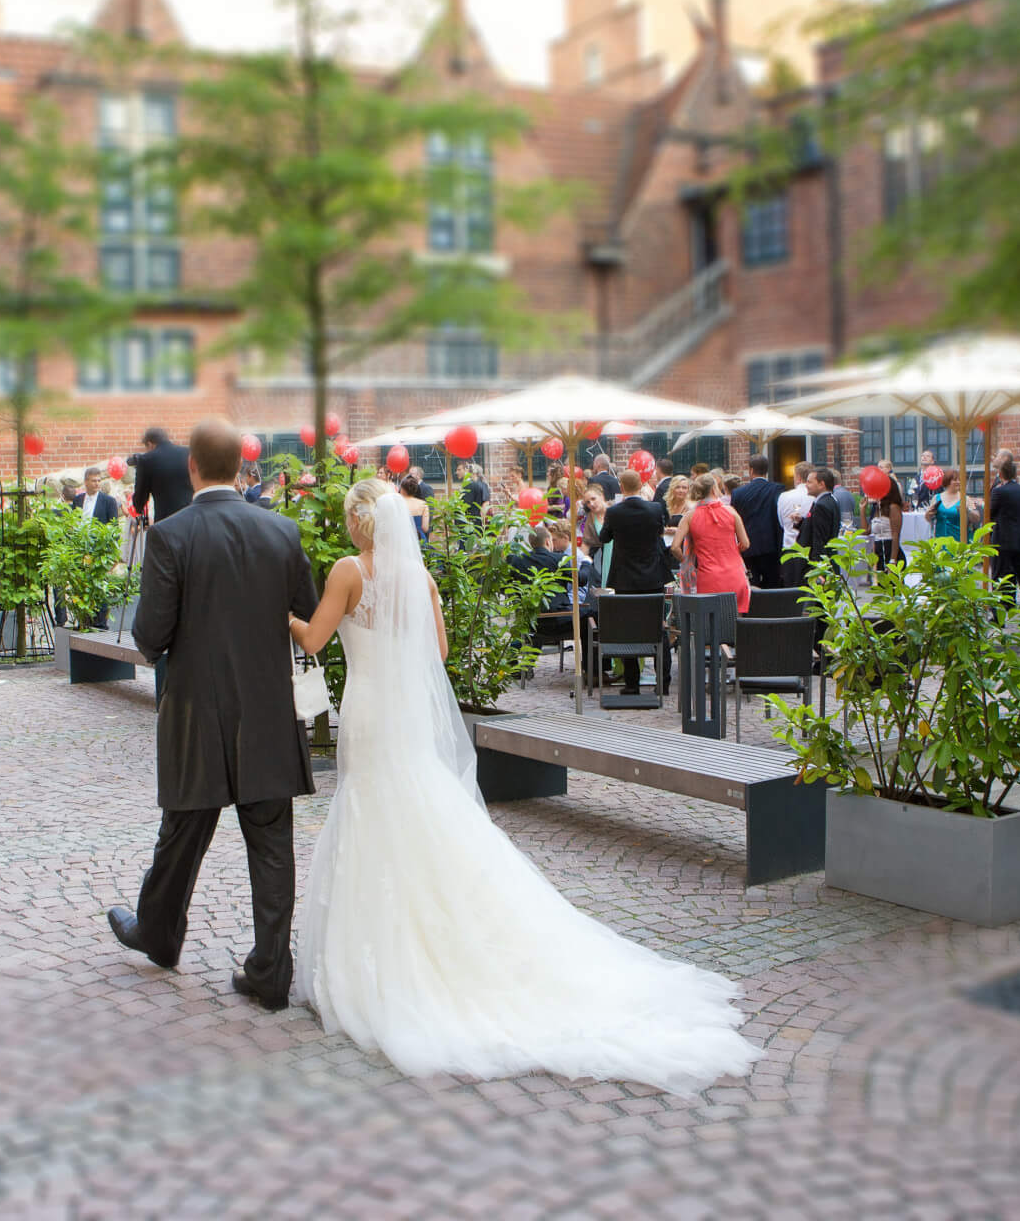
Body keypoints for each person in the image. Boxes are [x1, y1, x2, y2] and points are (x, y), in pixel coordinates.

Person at [286, 479, 758, 1091]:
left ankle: (376, 957)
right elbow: (440, 650)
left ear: (357, 522)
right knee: (415, 808)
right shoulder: (420, 578)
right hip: (403, 713)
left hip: (371, 712)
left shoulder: (349, 570)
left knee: (373, 810)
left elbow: (316, 639)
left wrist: (284, 615)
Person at [108, 419, 320, 1013]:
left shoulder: (171, 535)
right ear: (240, 466)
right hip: (269, 706)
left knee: (182, 830)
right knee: (272, 844)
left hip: (197, 708)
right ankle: (271, 971)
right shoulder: (281, 529)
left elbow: (149, 636)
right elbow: (306, 608)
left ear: (192, 468)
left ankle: (158, 933)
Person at [598, 469, 674, 693]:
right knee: (659, 628)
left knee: (627, 631)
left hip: (625, 579)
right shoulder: (655, 508)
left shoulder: (614, 512)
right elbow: (660, 531)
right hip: (653, 577)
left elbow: (604, 538)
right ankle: (664, 683)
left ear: (621, 487)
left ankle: (632, 685)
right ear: (641, 485)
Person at [673, 472, 751, 613]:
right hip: (735, 575)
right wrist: (732, 551)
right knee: (735, 622)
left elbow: (674, 547)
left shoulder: (689, 516)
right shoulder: (731, 512)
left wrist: (686, 560)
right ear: (714, 489)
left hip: (708, 577)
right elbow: (745, 543)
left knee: (708, 624)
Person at [729, 453, 787, 588]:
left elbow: (733, 519)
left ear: (750, 470)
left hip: (747, 546)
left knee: (750, 586)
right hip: (771, 545)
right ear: (767, 470)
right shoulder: (778, 489)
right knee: (772, 586)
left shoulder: (738, 493)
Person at [988, 456, 1020, 605]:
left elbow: (989, 514)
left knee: (1001, 578)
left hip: (1002, 543)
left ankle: (1002, 611)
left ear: (1001, 474)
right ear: (1016, 474)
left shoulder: (999, 492)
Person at [785, 467, 845, 590]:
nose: (806, 485)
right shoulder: (830, 500)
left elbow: (819, 539)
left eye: (809, 482)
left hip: (819, 564)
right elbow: (817, 526)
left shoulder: (821, 505)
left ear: (821, 484)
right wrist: (801, 522)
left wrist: (819, 570)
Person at [130, 426, 194, 523]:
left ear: (150, 444)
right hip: (190, 518)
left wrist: (138, 506)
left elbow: (140, 499)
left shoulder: (146, 460)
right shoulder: (188, 453)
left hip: (165, 522)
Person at [926, 469, 980, 542]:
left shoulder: (965, 499)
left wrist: (968, 511)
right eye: (955, 480)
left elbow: (976, 518)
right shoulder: (936, 498)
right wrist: (928, 514)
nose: (958, 482)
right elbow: (929, 519)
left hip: (959, 540)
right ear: (947, 481)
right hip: (940, 540)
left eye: (959, 480)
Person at [777, 462, 818, 549]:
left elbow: (781, 523)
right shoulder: (816, 497)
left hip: (789, 545)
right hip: (809, 547)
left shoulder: (784, 496)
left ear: (798, 478)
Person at [456, 463, 490, 529]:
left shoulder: (468, 485)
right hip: (477, 520)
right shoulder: (483, 485)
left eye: (468, 471)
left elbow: (464, 504)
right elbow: (485, 503)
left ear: (474, 473)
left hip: (468, 520)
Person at [398, 473, 430, 541]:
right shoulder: (423, 504)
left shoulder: (397, 503)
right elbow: (425, 528)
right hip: (419, 538)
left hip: (401, 538)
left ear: (402, 489)